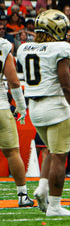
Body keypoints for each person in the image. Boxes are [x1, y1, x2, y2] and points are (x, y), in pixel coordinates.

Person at [15, 10, 70, 217]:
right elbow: (65, 82)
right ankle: (54, 206)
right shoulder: (61, 48)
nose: (66, 32)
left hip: (35, 108)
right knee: (60, 157)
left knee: (51, 151)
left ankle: (42, 188)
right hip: (55, 106)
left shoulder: (24, 48)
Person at [0, 36, 29, 207]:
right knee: (12, 153)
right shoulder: (3, 45)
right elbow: (14, 81)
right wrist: (22, 107)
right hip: (1, 107)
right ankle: (22, 195)